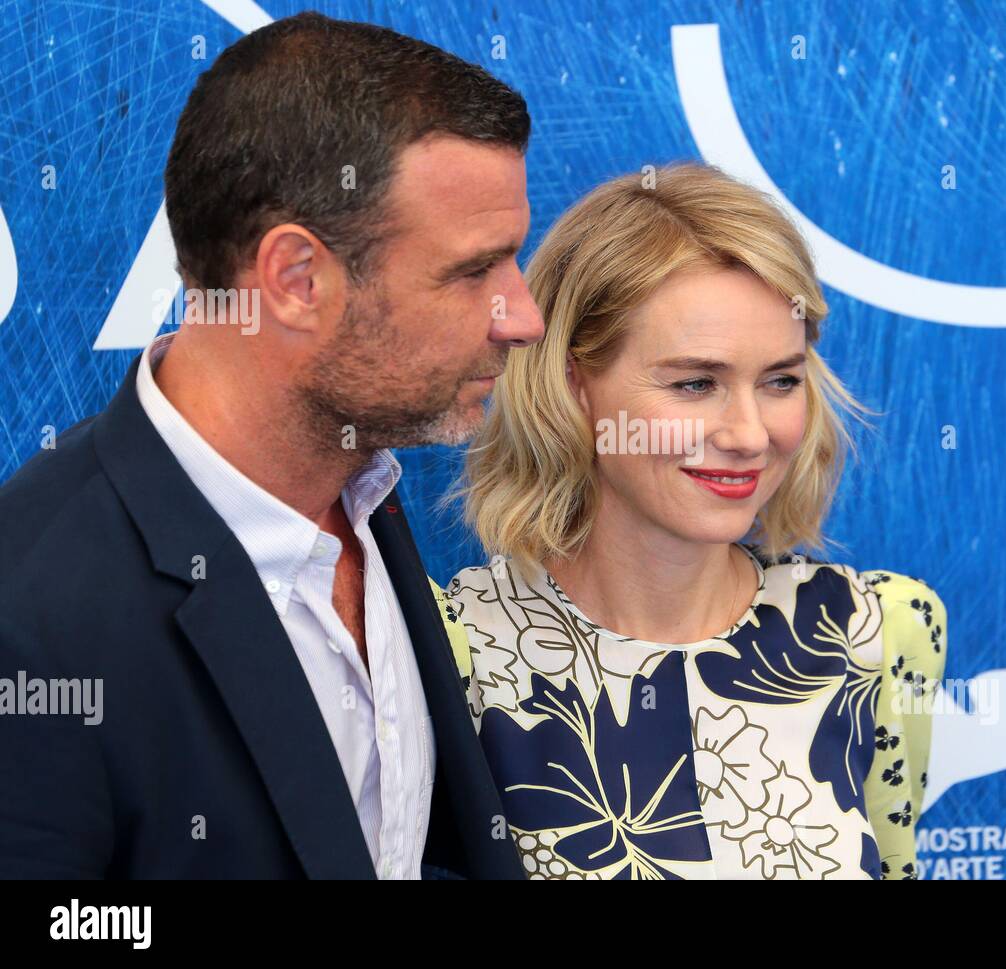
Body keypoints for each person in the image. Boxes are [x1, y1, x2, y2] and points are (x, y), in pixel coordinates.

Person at [0, 12, 542, 879]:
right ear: (295, 280)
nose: (523, 317)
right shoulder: (30, 619)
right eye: (476, 270)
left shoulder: (367, 492)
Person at [443, 162, 948, 879]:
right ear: (573, 382)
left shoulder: (878, 629)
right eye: (696, 383)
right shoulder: (451, 651)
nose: (747, 433)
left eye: (780, 380)